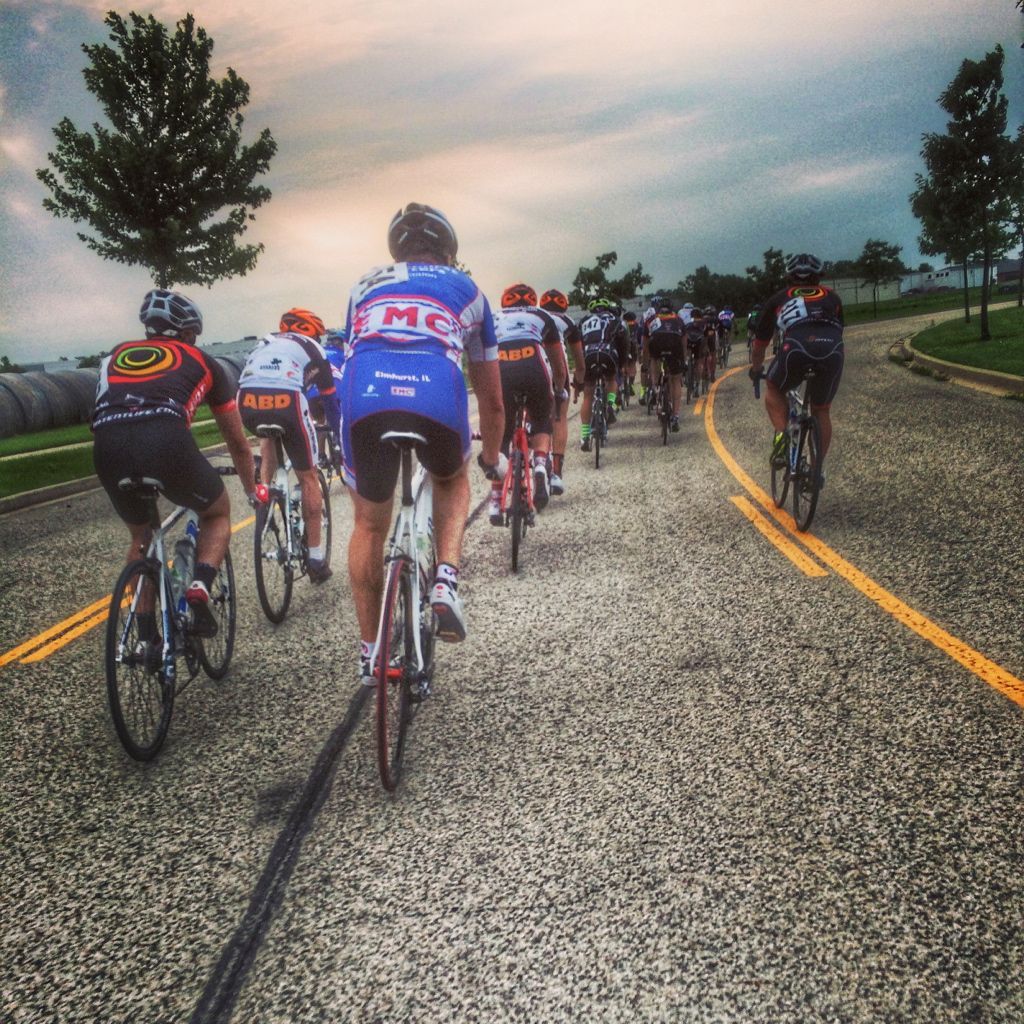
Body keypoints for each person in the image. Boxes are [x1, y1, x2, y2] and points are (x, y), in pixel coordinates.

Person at [339, 203, 505, 679]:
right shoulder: (468, 290)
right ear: (449, 251)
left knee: (369, 524)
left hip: (366, 388)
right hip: (434, 387)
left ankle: (370, 652)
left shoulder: (364, 285)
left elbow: (350, 352)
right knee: (451, 480)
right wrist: (491, 458)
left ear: (396, 250)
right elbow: (491, 400)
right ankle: (446, 580)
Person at [92, 289, 257, 638]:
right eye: (193, 334)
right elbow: (238, 444)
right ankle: (199, 586)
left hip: (107, 445)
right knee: (216, 513)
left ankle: (147, 633)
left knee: (141, 536)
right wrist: (251, 489)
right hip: (165, 438)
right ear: (185, 333)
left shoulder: (113, 357)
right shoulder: (203, 361)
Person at [237, 308, 340, 583]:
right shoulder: (314, 347)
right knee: (308, 476)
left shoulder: (264, 342)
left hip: (246, 400)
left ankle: (265, 495)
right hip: (288, 399)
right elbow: (330, 400)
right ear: (312, 331)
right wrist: (338, 438)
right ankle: (317, 559)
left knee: (268, 436)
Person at [749, 252, 844, 467]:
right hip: (832, 349)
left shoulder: (779, 299)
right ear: (819, 276)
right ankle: (815, 468)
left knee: (773, 388)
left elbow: (760, 344)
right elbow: (839, 329)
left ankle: (785, 436)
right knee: (821, 409)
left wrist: (756, 369)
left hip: (796, 348)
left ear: (789, 277)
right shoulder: (833, 297)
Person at [488, 283, 563, 524]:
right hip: (534, 366)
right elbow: (558, 361)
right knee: (542, 419)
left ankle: (495, 499)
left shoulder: (493, 317)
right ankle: (540, 463)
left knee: (501, 433)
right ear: (532, 301)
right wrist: (559, 389)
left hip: (502, 368)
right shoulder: (542, 315)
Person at [538, 289, 585, 496]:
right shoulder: (567, 322)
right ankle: (556, 472)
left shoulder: (536, 317)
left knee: (532, 415)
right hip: (558, 368)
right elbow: (580, 362)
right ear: (564, 306)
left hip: (533, 365)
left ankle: (532, 460)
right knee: (559, 418)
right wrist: (579, 383)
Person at [576, 297, 622, 451]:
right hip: (607, 353)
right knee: (610, 378)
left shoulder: (584, 321)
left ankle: (585, 436)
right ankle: (610, 404)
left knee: (588, 395)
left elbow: (577, 343)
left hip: (588, 355)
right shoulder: (614, 319)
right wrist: (621, 363)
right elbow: (623, 340)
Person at [645, 302, 687, 431]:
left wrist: (646, 360)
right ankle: (675, 416)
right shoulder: (679, 320)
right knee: (675, 380)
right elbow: (684, 342)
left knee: (654, 359)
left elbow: (646, 343)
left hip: (656, 343)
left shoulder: (652, 320)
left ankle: (655, 387)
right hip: (674, 345)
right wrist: (683, 360)